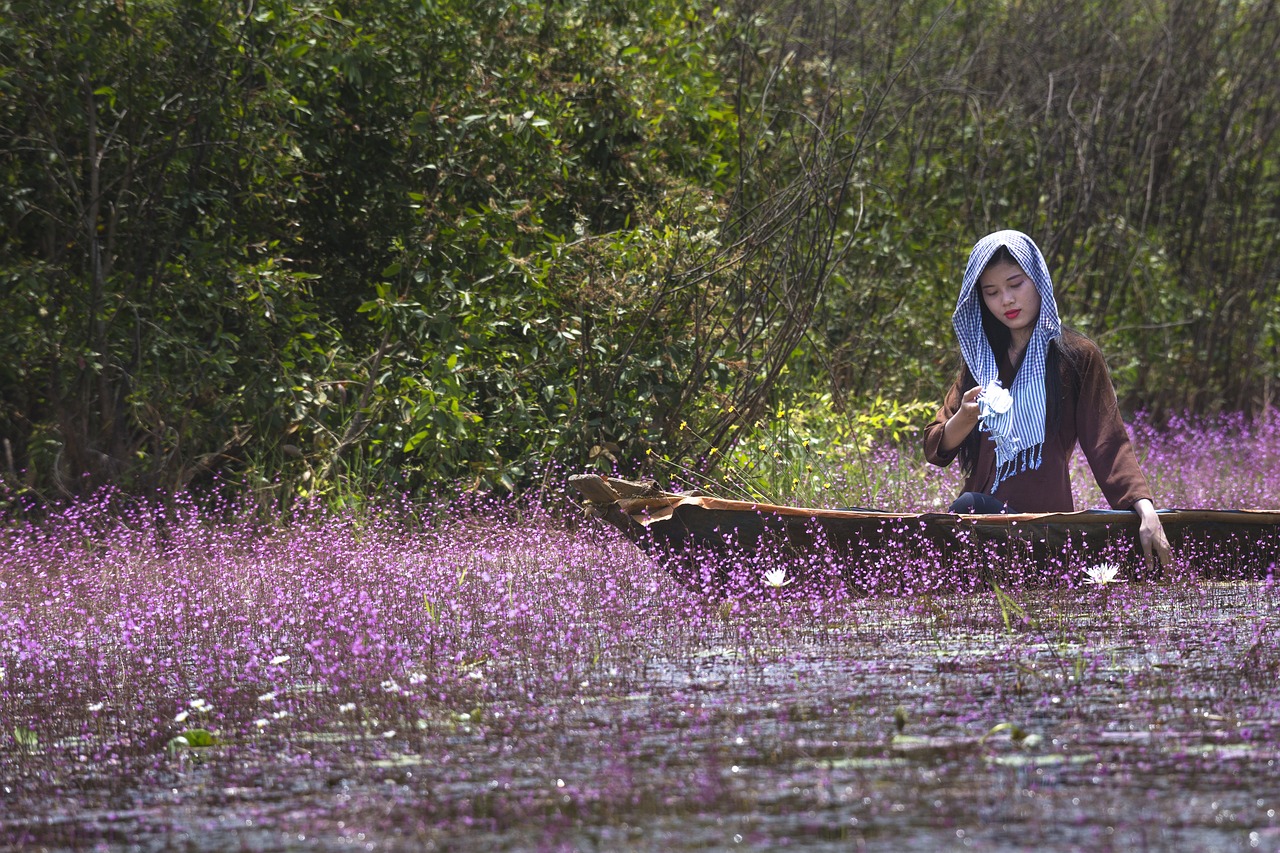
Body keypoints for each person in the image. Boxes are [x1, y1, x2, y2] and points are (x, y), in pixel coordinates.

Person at [922, 229, 1172, 571]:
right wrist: (964, 419)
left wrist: (1146, 511)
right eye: (992, 292)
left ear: (1037, 279)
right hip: (980, 519)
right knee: (965, 509)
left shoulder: (1075, 357)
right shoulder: (982, 361)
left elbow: (1108, 443)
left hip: (1045, 530)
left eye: (1016, 284)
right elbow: (935, 447)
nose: (1006, 300)